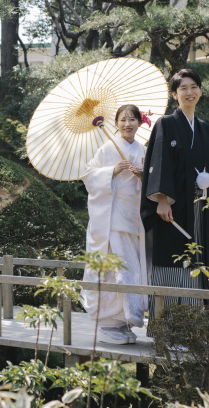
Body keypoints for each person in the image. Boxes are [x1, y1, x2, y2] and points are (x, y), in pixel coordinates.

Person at [140, 69, 209, 318]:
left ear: (200, 90)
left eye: (194, 87)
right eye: (183, 88)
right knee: (172, 259)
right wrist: (162, 200)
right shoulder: (165, 124)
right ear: (174, 94)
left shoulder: (203, 128)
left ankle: (194, 323)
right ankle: (165, 326)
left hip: (199, 207)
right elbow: (159, 162)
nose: (190, 92)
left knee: (198, 256)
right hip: (173, 209)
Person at [81, 104, 150, 345]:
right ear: (116, 123)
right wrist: (111, 171)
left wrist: (144, 176)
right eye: (122, 119)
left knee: (131, 268)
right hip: (110, 218)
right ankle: (109, 322)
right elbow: (88, 176)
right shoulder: (107, 148)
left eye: (132, 119)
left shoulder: (144, 150)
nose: (127, 124)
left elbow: (152, 185)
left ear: (140, 123)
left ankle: (125, 320)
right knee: (114, 271)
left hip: (134, 217)